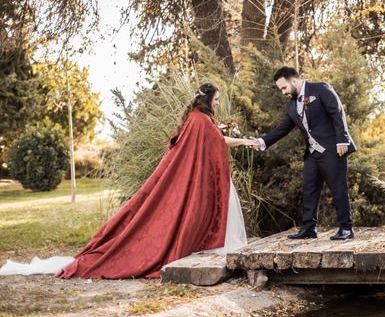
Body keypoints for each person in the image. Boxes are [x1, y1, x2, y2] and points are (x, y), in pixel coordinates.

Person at [52, 83, 252, 279]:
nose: (217, 103)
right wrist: (244, 141)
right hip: (200, 180)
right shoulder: (202, 120)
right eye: (216, 99)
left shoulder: (193, 118)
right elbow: (219, 141)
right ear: (207, 99)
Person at [248, 66, 356, 240]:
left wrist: (342, 140)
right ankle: (308, 229)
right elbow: (282, 129)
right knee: (309, 189)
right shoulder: (291, 105)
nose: (283, 92)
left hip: (333, 149)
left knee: (338, 189)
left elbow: (337, 112)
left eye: (284, 87)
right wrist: (261, 142)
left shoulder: (320, 88)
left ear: (294, 80)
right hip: (312, 154)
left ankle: (346, 229)